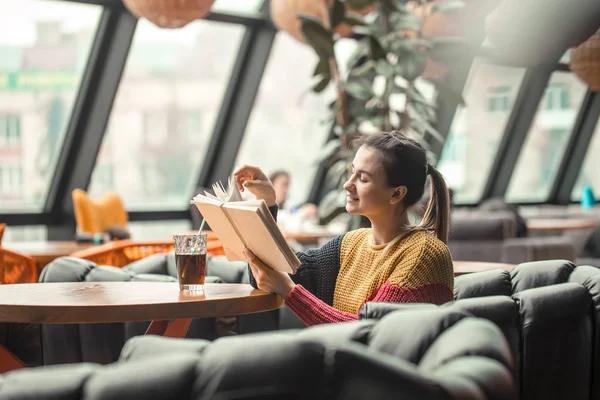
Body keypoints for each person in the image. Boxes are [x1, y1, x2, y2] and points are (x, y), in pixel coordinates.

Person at [233, 131, 453, 326]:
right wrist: (267, 203)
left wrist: (290, 292)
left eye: (363, 178)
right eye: (353, 172)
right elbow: (270, 275)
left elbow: (372, 334)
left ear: (396, 194)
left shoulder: (423, 255)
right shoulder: (351, 244)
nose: (348, 184)